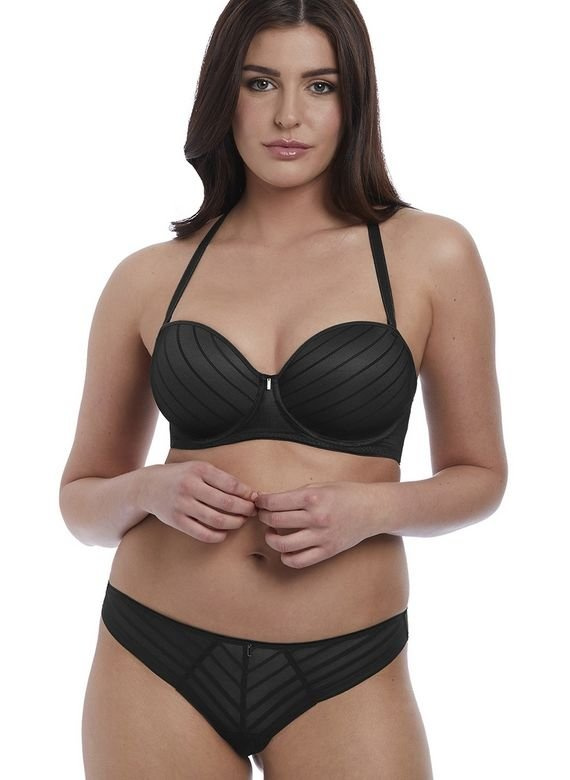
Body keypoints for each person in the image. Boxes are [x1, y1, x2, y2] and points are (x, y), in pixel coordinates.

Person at [59, 1, 508, 777]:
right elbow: (81, 502)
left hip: (347, 665)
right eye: (260, 82)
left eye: (321, 86)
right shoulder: (148, 277)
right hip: (153, 653)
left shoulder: (430, 254)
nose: (289, 116)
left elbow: (481, 476)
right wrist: (149, 491)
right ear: (223, 95)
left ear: (355, 101)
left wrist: (369, 510)